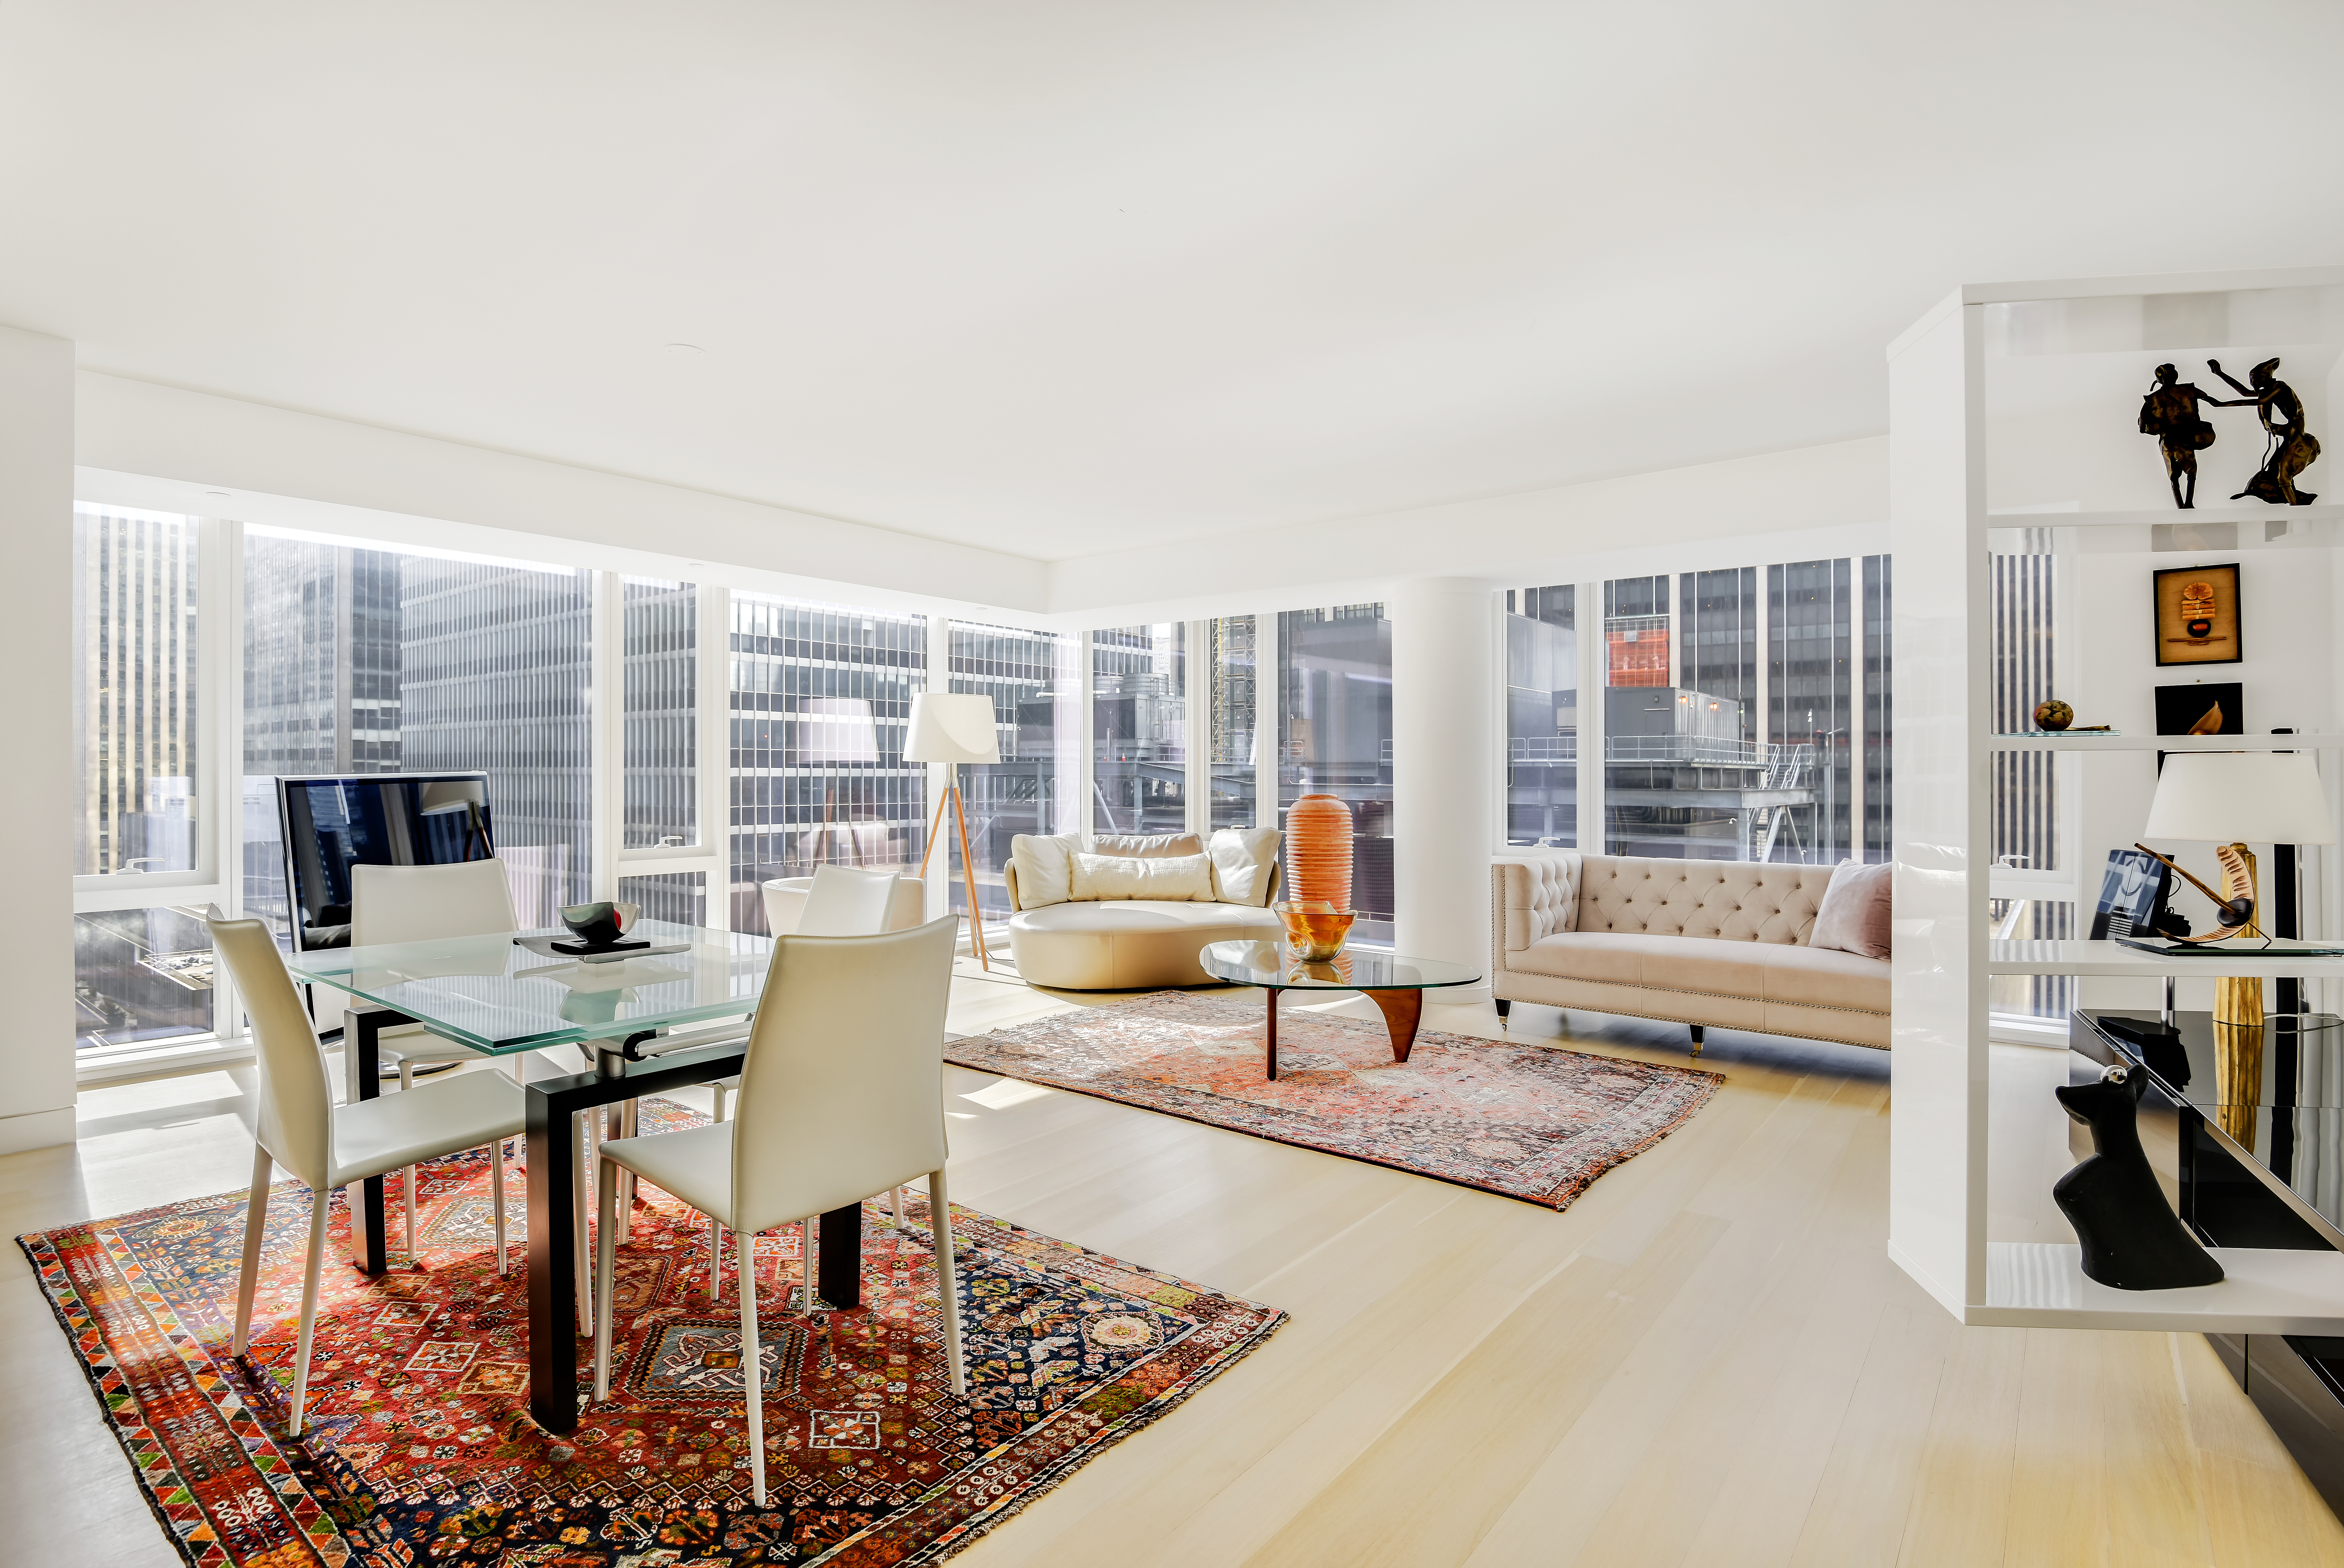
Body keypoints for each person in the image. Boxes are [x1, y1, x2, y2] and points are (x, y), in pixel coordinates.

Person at [2207, 356, 2321, 505]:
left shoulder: (2280, 387)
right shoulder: (2269, 391)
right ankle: (2292, 500)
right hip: (2290, 437)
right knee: (2272, 474)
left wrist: (2222, 404)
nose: (2254, 384)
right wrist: (2220, 374)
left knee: (2283, 478)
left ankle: (2296, 509)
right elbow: (2245, 393)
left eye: (2256, 380)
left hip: (2298, 438)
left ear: (2266, 378)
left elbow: (2260, 401)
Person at [2137, 363, 2219, 508]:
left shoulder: (2151, 400)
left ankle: (2182, 507)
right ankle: (2188, 504)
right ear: (2176, 376)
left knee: (2174, 477)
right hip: (2187, 437)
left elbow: (2143, 429)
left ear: (2159, 380)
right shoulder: (2189, 390)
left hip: (2168, 441)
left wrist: (2151, 424)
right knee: (2191, 472)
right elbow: (2216, 403)